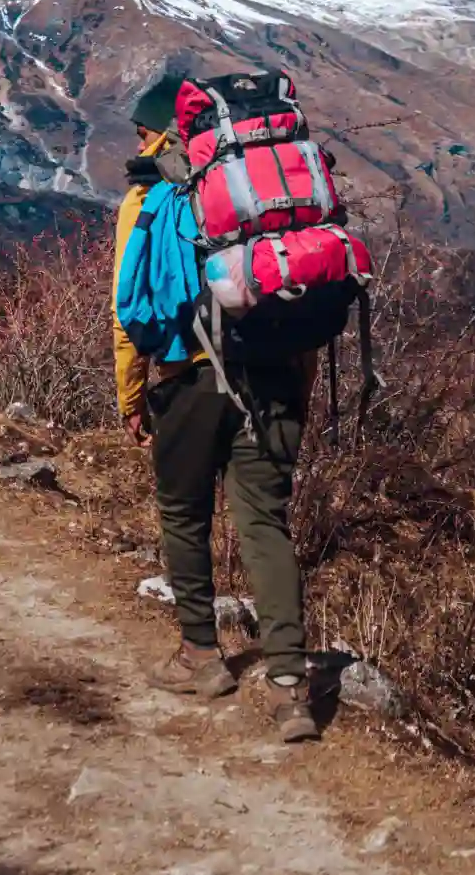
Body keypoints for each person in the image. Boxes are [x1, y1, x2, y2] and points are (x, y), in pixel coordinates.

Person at [114, 76, 320, 744]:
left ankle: (202, 656)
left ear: (167, 135)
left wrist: (131, 399)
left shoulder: (149, 197)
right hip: (275, 375)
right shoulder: (269, 191)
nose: (139, 145)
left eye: (144, 133)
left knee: (183, 511)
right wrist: (300, 383)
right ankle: (291, 686)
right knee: (264, 522)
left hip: (188, 379)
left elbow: (129, 314)